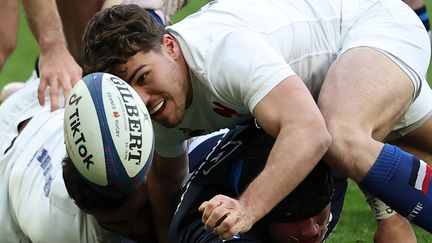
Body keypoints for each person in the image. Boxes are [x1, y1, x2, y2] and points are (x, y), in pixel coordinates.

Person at [81, 0, 432, 240]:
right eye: (129, 90)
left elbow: (310, 133)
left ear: (170, 47)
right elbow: (167, 180)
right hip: (331, 70)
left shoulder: (223, 55)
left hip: (371, 23)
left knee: (341, 136)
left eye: (143, 76)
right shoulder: (147, 104)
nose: (142, 100)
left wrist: (245, 208)